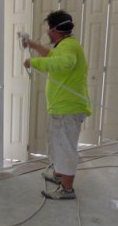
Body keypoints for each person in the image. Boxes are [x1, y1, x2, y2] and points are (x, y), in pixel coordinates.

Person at [23, 10, 91, 200]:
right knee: (58, 145)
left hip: (68, 109)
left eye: (48, 29)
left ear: (54, 30)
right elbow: (53, 55)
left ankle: (67, 189)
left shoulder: (69, 47)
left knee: (65, 148)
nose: (47, 33)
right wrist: (33, 45)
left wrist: (34, 62)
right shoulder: (67, 44)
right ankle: (59, 176)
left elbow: (65, 62)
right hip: (62, 107)